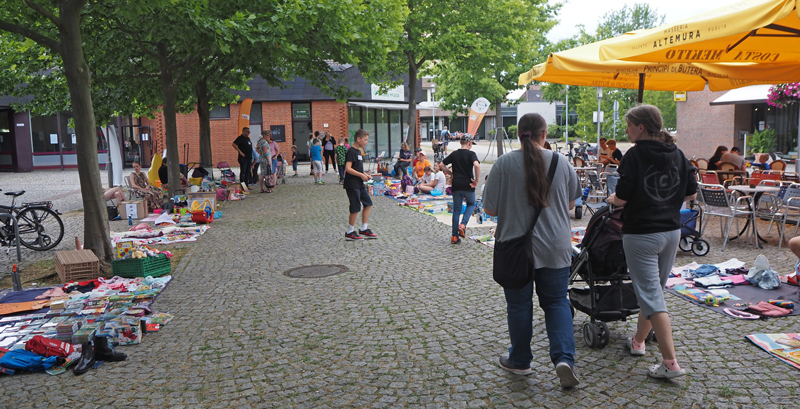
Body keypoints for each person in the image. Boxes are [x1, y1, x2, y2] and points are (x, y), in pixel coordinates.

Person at [483, 113, 581, 388]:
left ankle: (521, 361)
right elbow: (572, 204)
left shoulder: (503, 164)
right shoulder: (563, 163)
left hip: (515, 248)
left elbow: (489, 209)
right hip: (555, 247)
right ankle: (564, 360)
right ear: (544, 133)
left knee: (518, 306)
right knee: (557, 302)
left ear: (518, 134)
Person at [607, 104, 697, 380]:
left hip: (641, 233)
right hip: (671, 231)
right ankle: (638, 342)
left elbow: (620, 198)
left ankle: (671, 363)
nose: (626, 130)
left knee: (652, 295)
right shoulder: (677, 153)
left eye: (629, 125)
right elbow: (690, 192)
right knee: (653, 290)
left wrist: (611, 199)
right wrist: (664, 201)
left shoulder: (633, 156)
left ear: (641, 127)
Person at [442, 134, 480, 244]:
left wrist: (451, 173)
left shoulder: (454, 154)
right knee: (471, 204)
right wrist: (477, 181)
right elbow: (477, 165)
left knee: (457, 210)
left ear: (460, 142)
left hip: (456, 184)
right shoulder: (471, 154)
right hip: (468, 184)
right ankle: (463, 225)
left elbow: (441, 164)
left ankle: (454, 237)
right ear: (469, 143)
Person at [344, 129, 377, 240]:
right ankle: (350, 231)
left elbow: (357, 168)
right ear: (358, 139)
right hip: (352, 184)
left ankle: (363, 228)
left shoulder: (359, 151)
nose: (366, 142)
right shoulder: (352, 151)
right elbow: (348, 168)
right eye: (365, 140)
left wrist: (365, 174)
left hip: (359, 183)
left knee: (368, 203)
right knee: (355, 207)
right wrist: (361, 175)